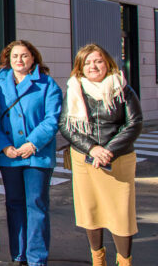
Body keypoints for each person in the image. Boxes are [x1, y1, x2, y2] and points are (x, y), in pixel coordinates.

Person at [59, 44, 142, 266]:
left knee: (121, 215)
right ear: (80, 67)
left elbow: (134, 123)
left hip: (118, 160)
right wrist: (92, 149)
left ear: (107, 63)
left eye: (98, 61)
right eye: (87, 62)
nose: (93, 66)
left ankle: (125, 261)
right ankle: (98, 260)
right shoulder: (75, 90)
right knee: (91, 212)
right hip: (85, 160)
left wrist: (109, 151)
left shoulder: (122, 88)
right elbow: (66, 126)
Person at [0, 40, 62, 266]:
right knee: (13, 204)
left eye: (24, 56)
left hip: (37, 154)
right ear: (8, 59)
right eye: (14, 56)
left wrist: (32, 143)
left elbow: (52, 120)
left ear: (33, 58)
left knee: (36, 205)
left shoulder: (47, 84)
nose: (19, 60)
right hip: (9, 154)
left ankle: (36, 258)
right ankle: (18, 255)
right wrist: (4, 146)